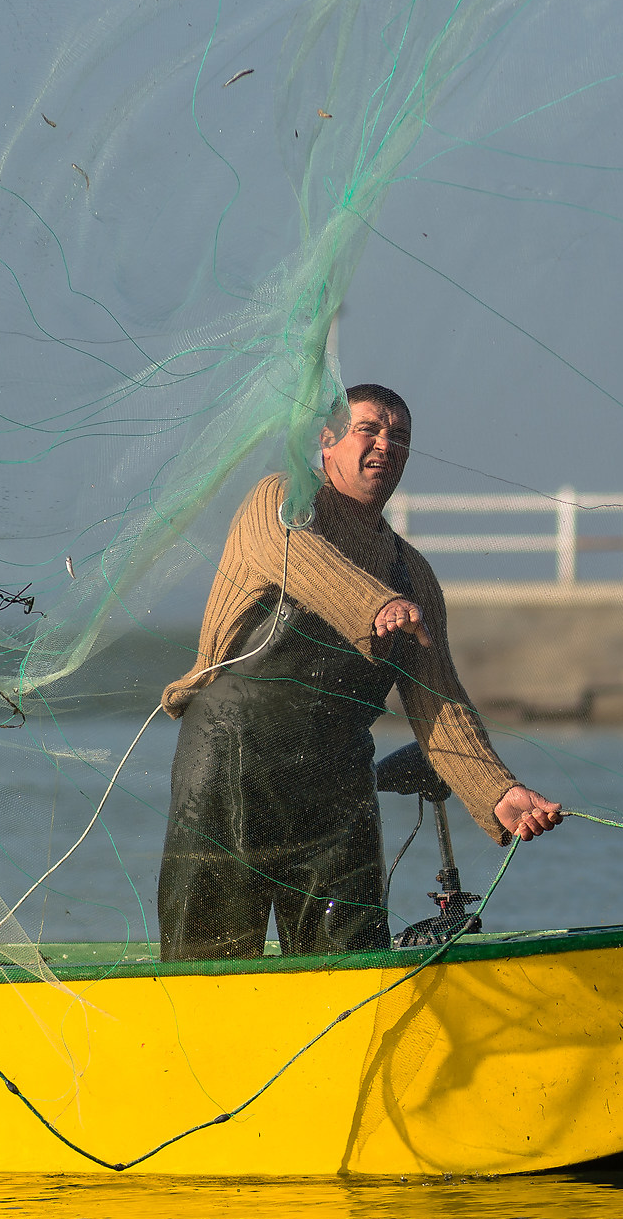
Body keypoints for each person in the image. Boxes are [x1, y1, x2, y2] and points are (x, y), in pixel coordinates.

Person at [156, 384, 563, 959]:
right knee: (208, 957)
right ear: (326, 441)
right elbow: (300, 558)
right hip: (231, 761)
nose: (385, 444)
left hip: (337, 782)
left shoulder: (412, 574)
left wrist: (497, 791)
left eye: (400, 437)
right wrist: (374, 608)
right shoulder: (277, 502)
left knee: (348, 958)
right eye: (369, 428)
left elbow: (437, 704)